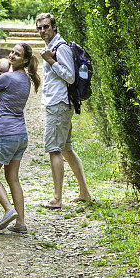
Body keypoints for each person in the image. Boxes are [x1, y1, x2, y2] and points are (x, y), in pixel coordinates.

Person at [0, 44, 40, 233]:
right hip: (21, 135)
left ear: (25, 60)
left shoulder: (6, 78)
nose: (12, 55)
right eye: (12, 52)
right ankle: (20, 223)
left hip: (4, 133)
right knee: (13, 178)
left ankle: (8, 209)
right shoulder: (26, 80)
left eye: (17, 54)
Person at [35, 12, 93, 209]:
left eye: (46, 27)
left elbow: (69, 76)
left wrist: (50, 61)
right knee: (66, 149)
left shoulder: (61, 48)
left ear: (54, 27)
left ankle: (57, 199)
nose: (43, 31)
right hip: (58, 103)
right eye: (40, 27)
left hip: (59, 104)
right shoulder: (50, 47)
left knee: (54, 149)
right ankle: (84, 192)